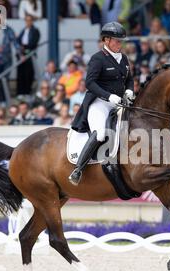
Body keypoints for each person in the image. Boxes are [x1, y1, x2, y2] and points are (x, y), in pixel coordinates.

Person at [69, 22, 133, 185]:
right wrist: (108, 96)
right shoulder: (97, 59)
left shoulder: (123, 58)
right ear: (106, 40)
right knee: (101, 133)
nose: (120, 44)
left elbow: (129, 78)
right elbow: (90, 83)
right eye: (117, 41)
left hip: (119, 102)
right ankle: (78, 169)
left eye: (121, 41)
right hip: (99, 103)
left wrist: (129, 90)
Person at [17, 14, 40, 96]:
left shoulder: (35, 31)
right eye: (26, 20)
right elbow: (18, 41)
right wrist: (20, 50)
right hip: (21, 54)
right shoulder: (23, 30)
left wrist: (24, 47)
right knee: (20, 73)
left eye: (30, 20)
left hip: (29, 55)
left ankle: (27, 91)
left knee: (28, 74)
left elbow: (33, 43)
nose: (28, 22)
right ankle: (20, 92)